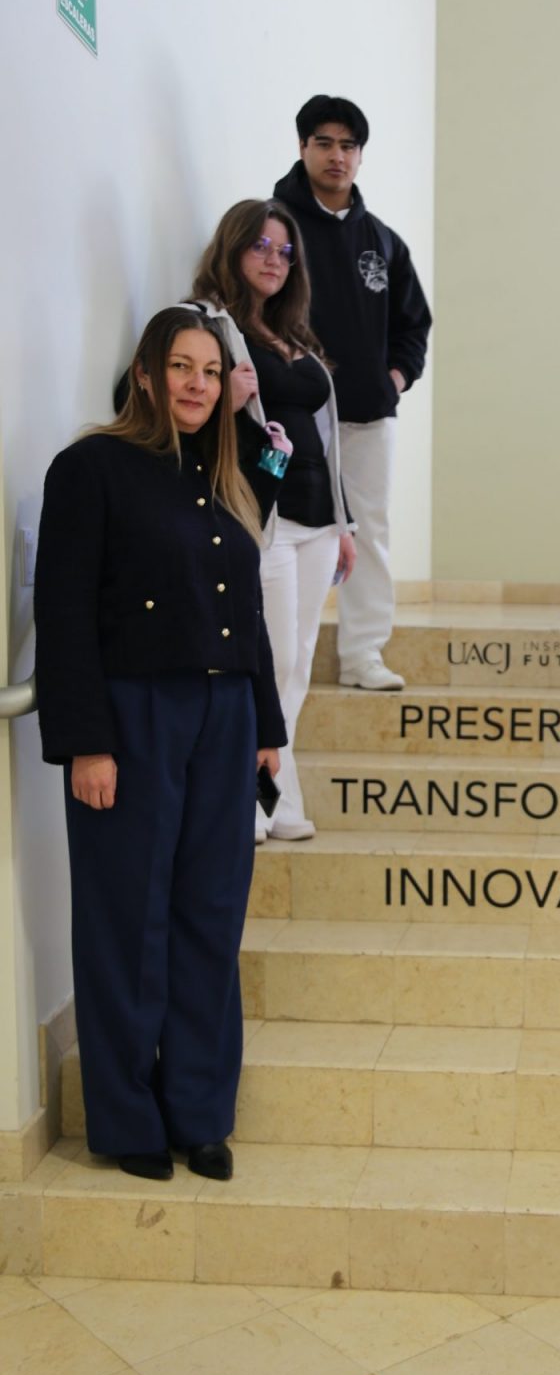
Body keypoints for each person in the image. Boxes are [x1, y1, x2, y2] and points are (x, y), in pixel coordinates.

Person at [34, 307, 287, 1181]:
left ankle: (201, 1113)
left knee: (210, 916)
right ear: (144, 373)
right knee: (126, 920)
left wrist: (267, 728)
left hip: (225, 719)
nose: (196, 384)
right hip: (133, 716)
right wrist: (86, 743)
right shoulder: (90, 468)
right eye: (181, 366)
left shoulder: (226, 477)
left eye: (210, 372)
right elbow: (64, 614)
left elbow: (246, 612)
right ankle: (127, 1116)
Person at [191, 198, 356, 841]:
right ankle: (248, 799)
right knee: (274, 660)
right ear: (232, 248)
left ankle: (278, 800)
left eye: (285, 251)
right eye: (260, 245)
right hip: (265, 518)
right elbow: (148, 394)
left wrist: (344, 524)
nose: (274, 260)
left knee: (302, 661)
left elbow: (324, 436)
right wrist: (222, 399)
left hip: (319, 519)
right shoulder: (208, 325)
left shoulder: (295, 336)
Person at [274, 94, 432, 692]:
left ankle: (363, 653)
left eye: (348, 145)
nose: (336, 156)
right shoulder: (274, 229)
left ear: (360, 155)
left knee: (368, 531)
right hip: (292, 416)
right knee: (286, 528)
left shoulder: (382, 241)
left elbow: (414, 325)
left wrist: (394, 379)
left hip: (367, 415)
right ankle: (281, 654)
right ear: (302, 148)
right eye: (324, 143)